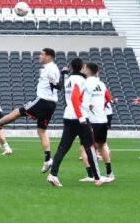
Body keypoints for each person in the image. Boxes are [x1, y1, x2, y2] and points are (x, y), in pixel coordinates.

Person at [0, 48, 59, 172]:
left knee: (17, 112)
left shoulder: (51, 69)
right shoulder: (49, 68)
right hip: (51, 103)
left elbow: (57, 85)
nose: (39, 56)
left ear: (49, 56)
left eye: (42, 54)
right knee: (42, 132)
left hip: (43, 100)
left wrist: (56, 80)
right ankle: (48, 159)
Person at [47, 58, 108, 187]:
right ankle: (97, 177)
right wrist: (81, 116)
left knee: (63, 148)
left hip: (68, 116)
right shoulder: (80, 80)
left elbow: (72, 97)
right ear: (81, 68)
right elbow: (75, 97)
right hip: (79, 118)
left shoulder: (69, 80)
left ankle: (53, 174)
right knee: (90, 148)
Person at [78, 63, 114, 182]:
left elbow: (80, 101)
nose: (82, 70)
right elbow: (108, 99)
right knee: (102, 146)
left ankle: (91, 175)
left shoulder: (85, 83)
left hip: (91, 121)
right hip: (102, 119)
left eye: (84, 68)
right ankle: (110, 173)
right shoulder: (102, 84)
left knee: (84, 149)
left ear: (87, 70)